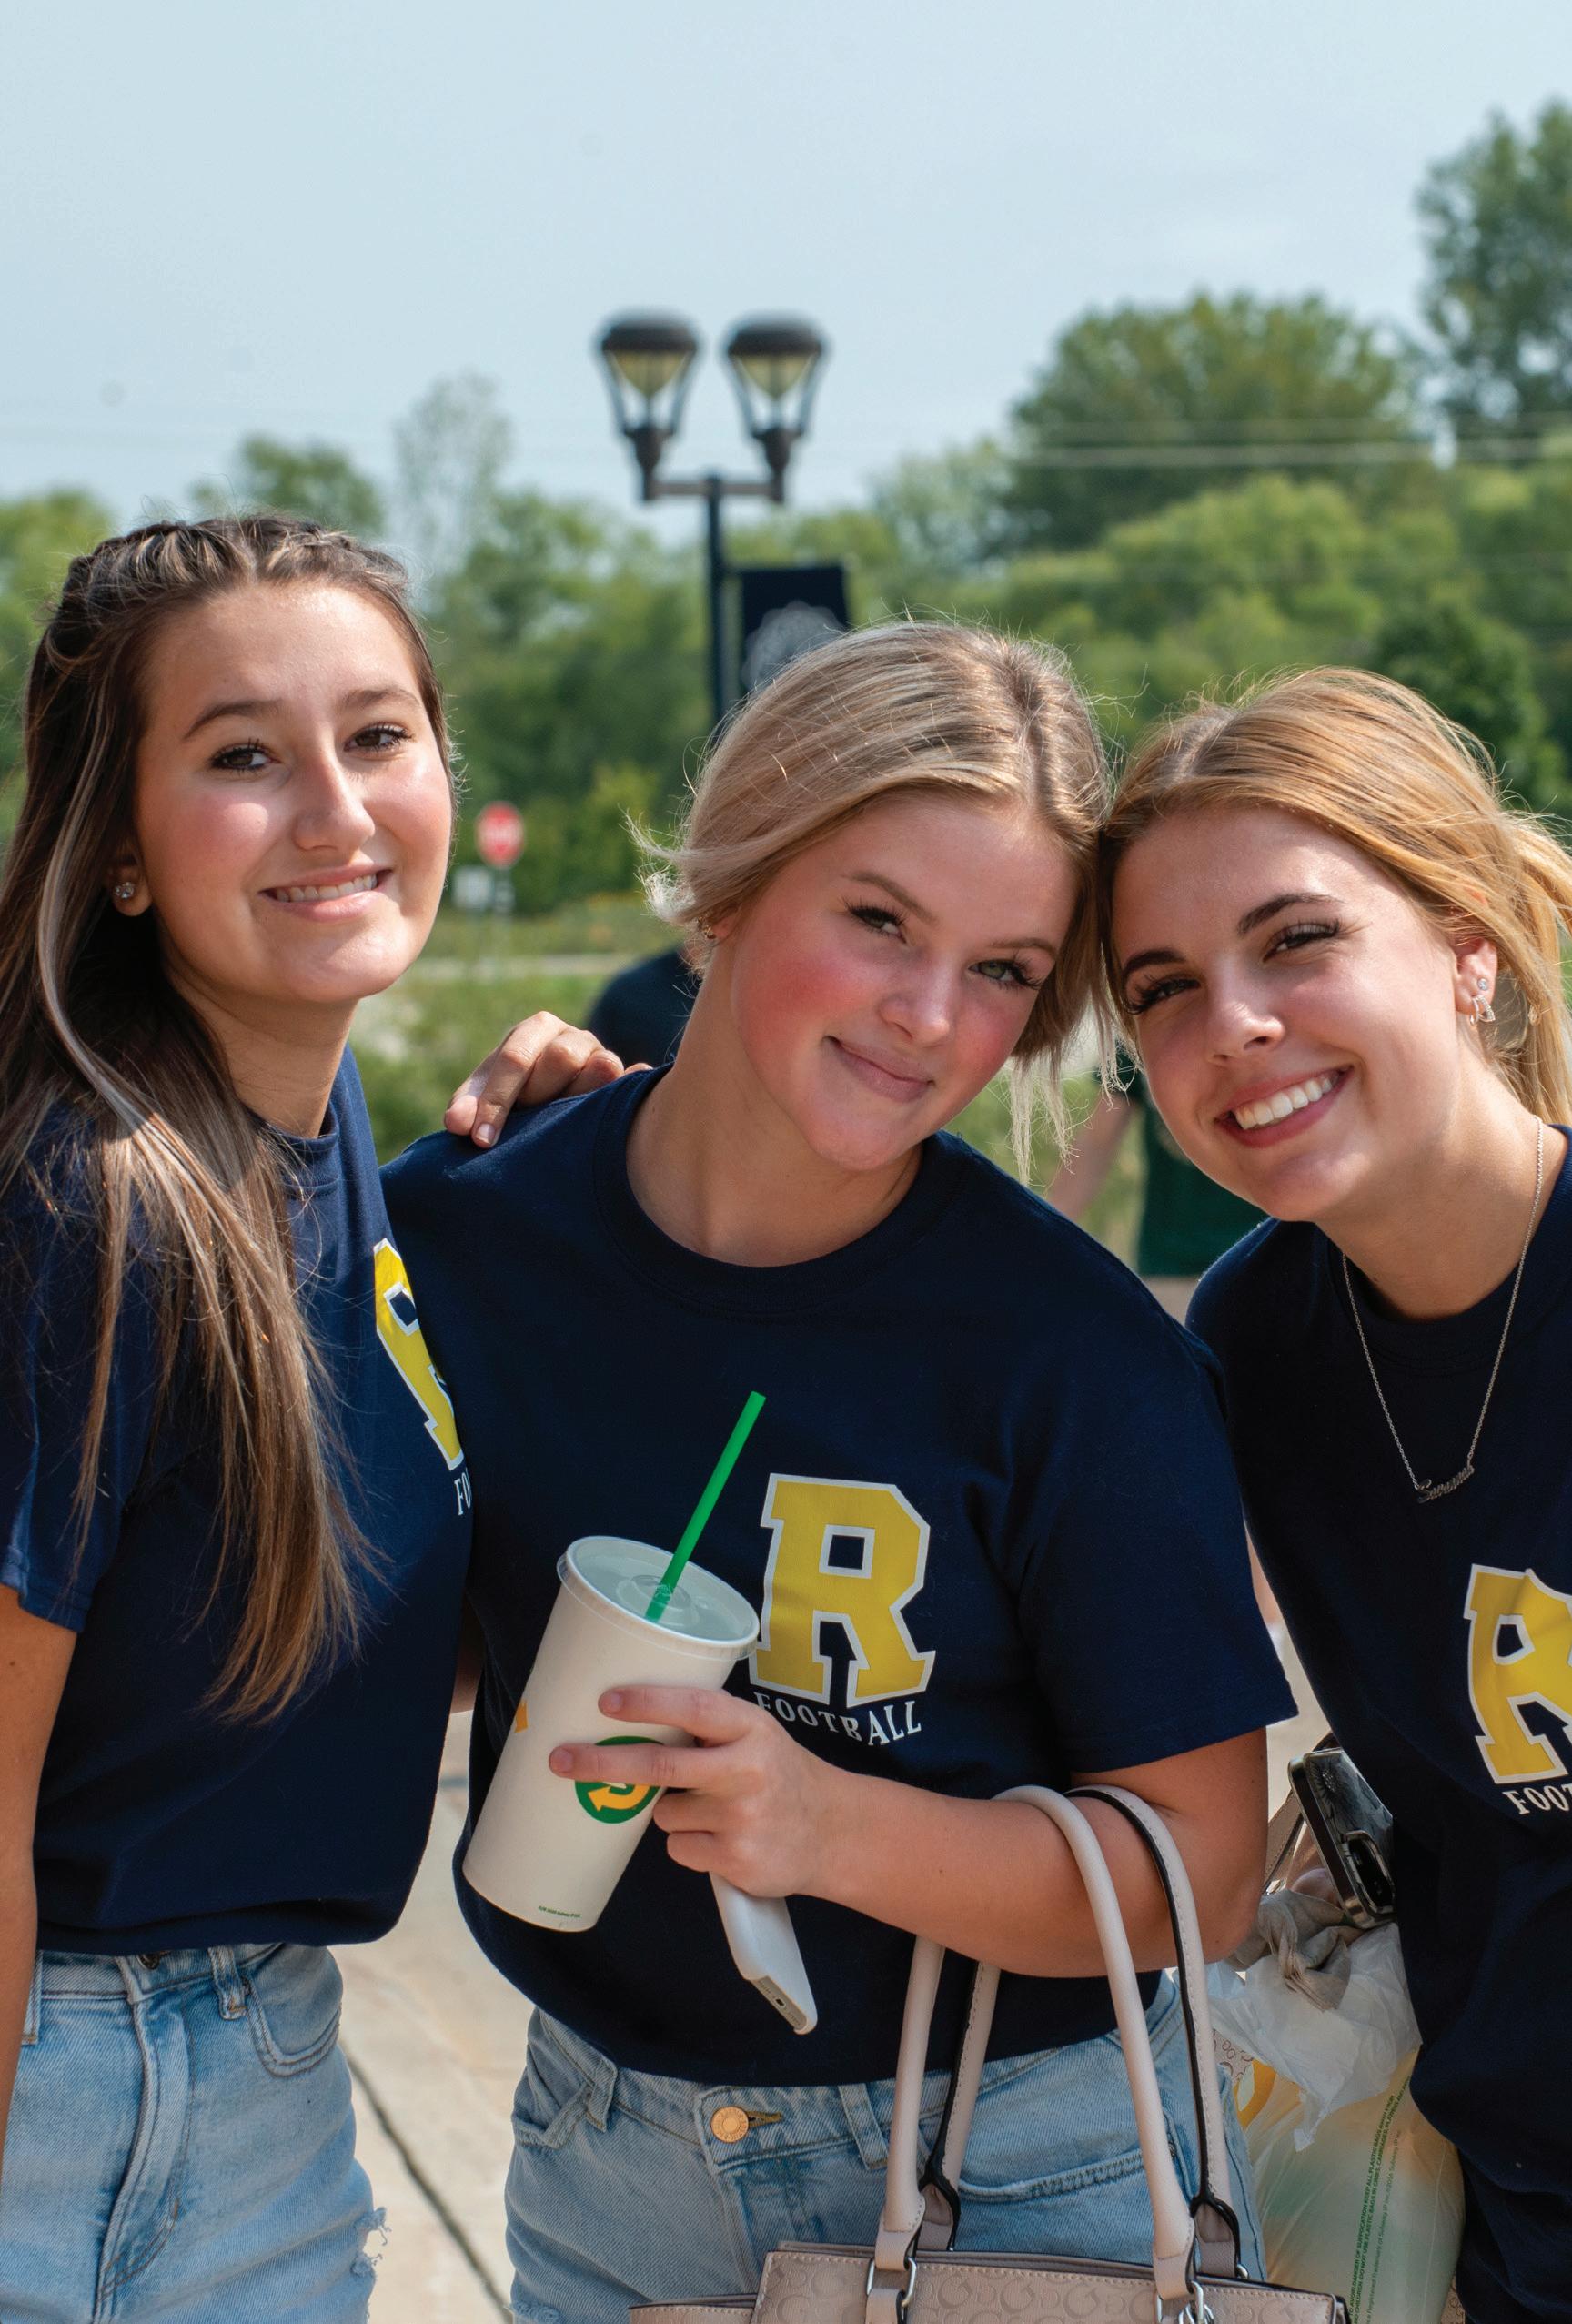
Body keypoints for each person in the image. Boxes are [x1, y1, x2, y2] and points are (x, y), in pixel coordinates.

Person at [387, 622, 1294, 2323]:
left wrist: (826, 1822)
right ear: (726, 886)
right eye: (877, 919)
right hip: (599, 2149)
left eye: (1004, 968)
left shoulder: (1074, 1354)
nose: (927, 1016)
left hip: (1014, 2167)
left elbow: (1204, 1868)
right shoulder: (458, 1234)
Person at [1097, 667, 1572, 2324]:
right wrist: (634, 1138)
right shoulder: (1258, 1333)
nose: (1231, 1024)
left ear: (1467, 947)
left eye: (1294, 939)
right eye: (1162, 986)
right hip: (1490, 2210)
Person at [0, 516, 484, 2322]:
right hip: (63, 2099)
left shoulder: (321, 1135)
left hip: (265, 2088)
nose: (336, 810)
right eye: (241, 756)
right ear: (120, 846)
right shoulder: (84, 1202)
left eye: (376, 735)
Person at [1046, 1071, 1264, 1321]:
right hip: (1170, 1267)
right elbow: (1097, 1142)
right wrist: (1044, 1233)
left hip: (1271, 1260)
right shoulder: (1131, 1046)